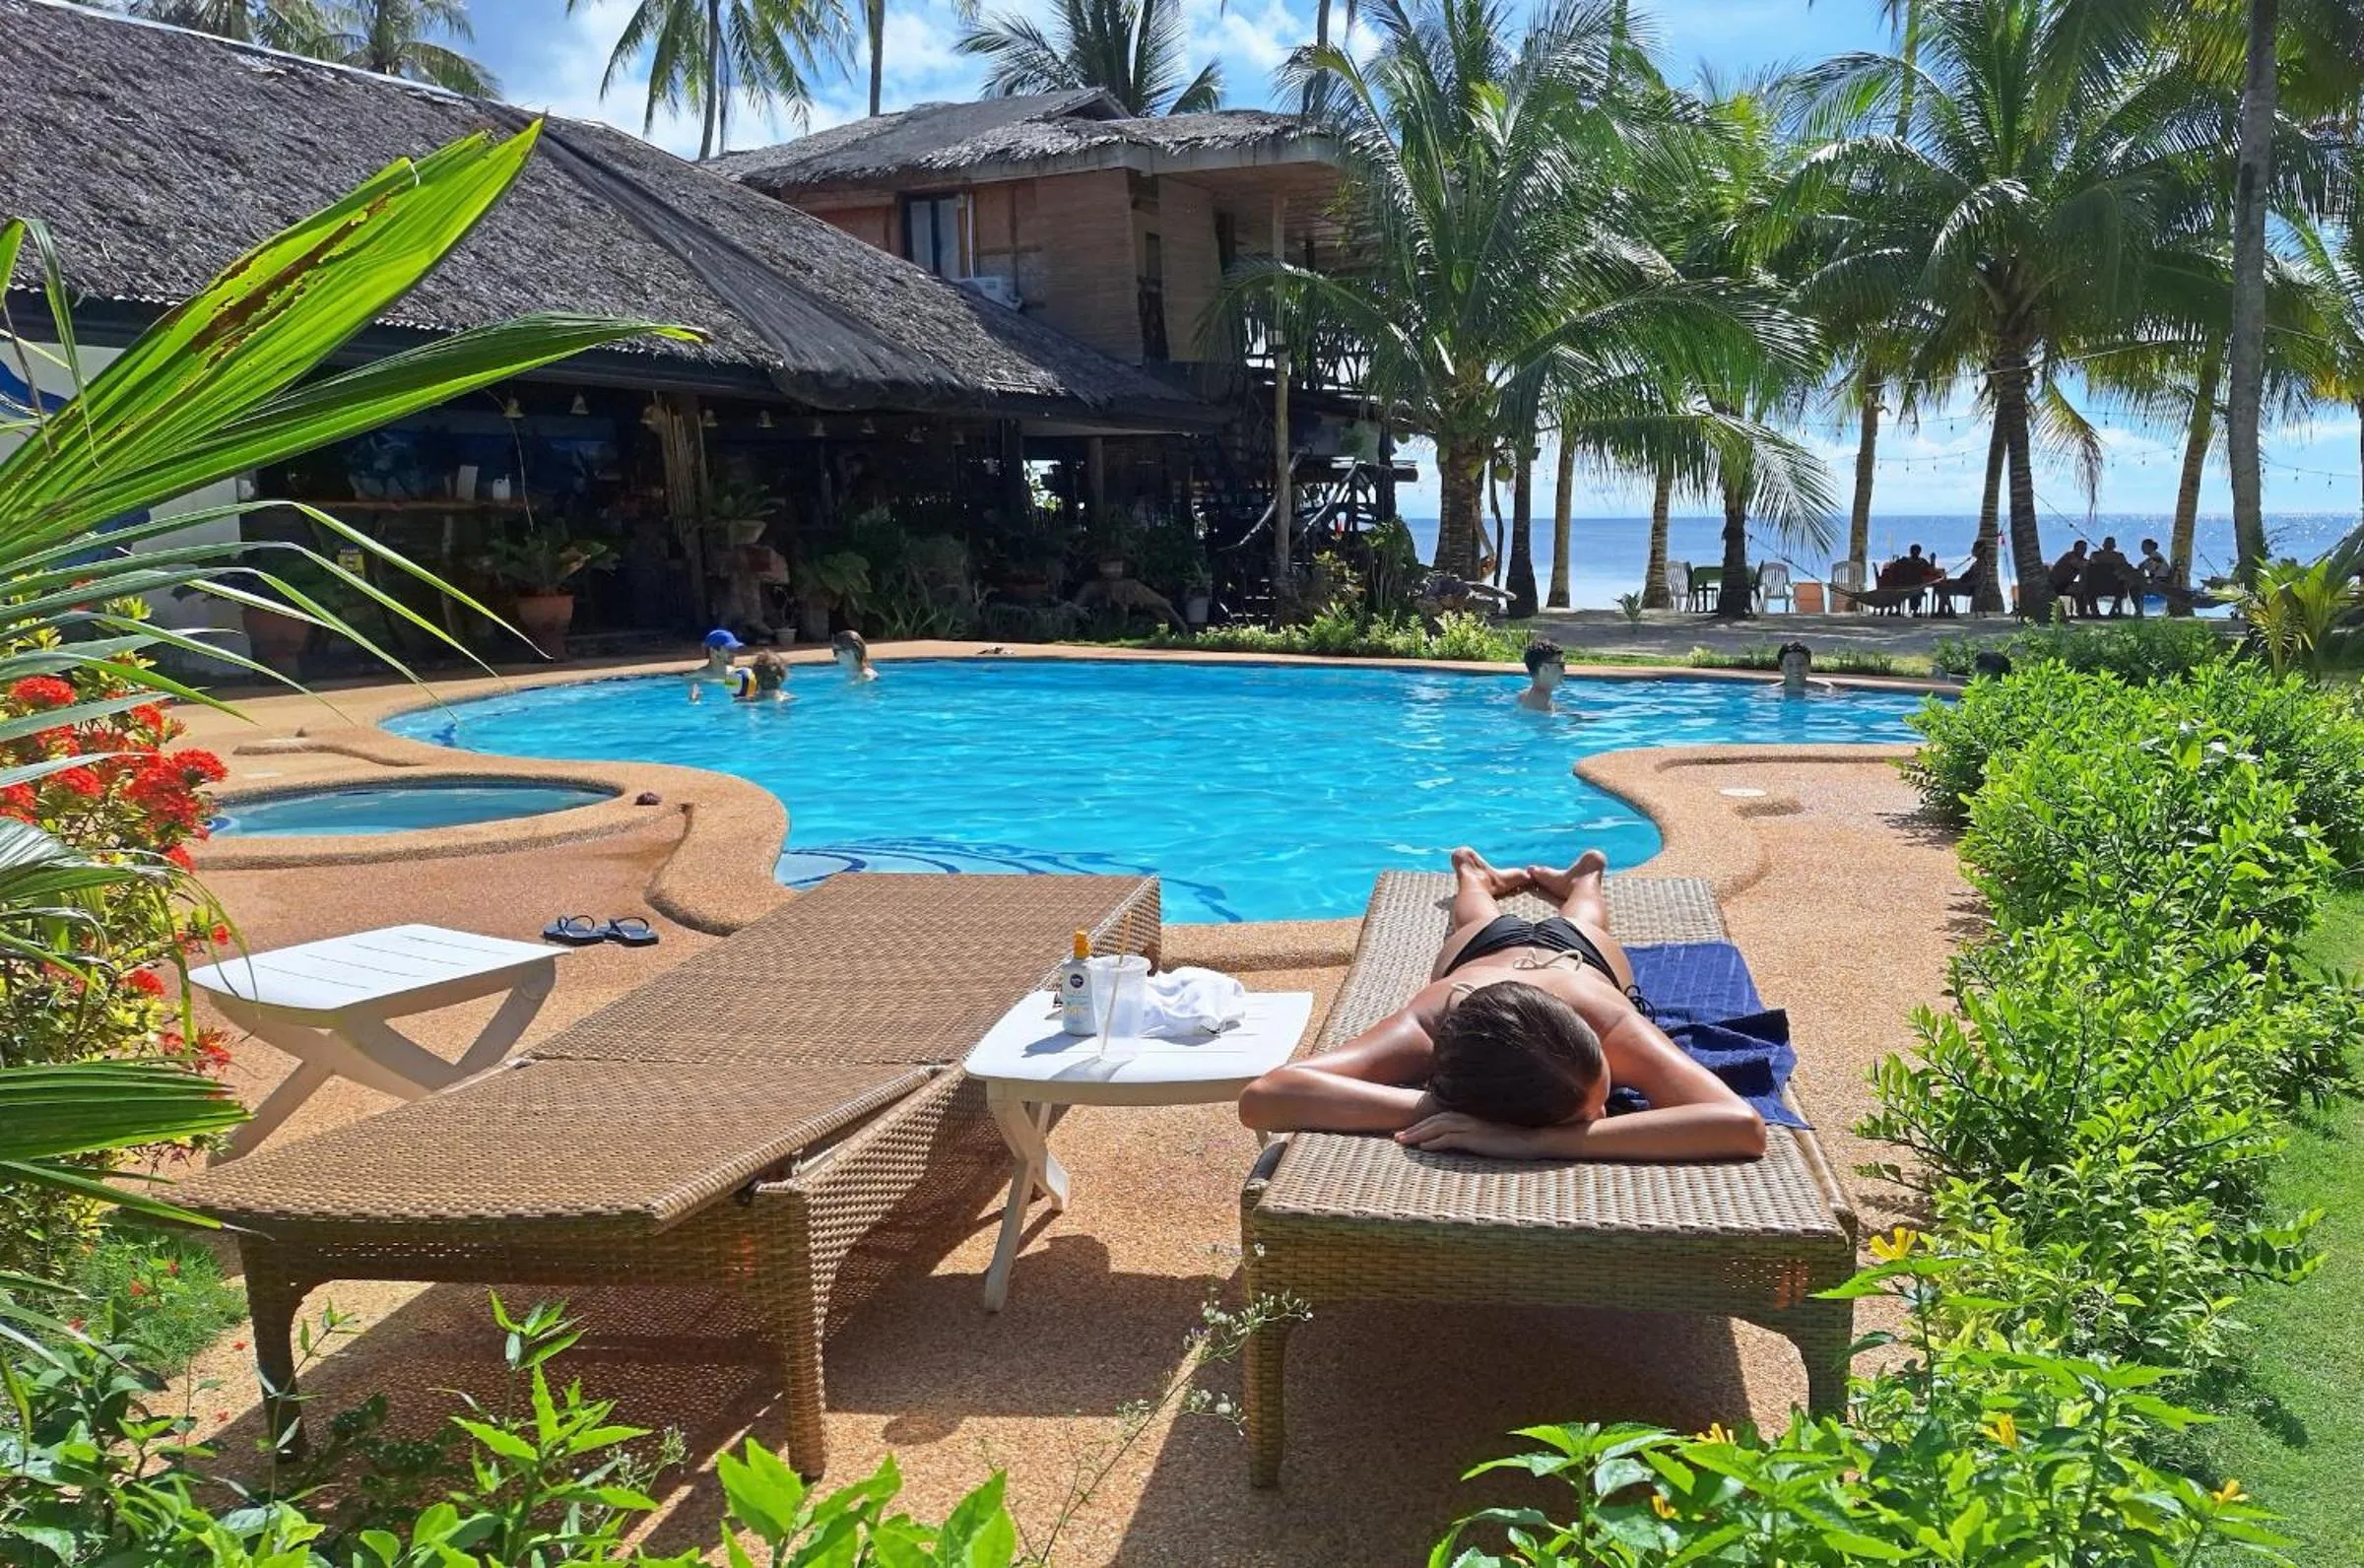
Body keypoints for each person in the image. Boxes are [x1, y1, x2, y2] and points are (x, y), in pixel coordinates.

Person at [1236, 848, 1766, 1160]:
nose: (1602, 1116)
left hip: (1577, 963)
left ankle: (1584, 877)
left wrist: (1543, 1144)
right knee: (1473, 921)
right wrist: (1437, 1110)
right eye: (1590, 1115)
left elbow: (1741, 1126)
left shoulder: (1606, 1027)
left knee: (1585, 921)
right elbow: (1264, 1096)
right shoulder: (1430, 1025)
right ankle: (1474, 874)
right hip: (1485, 958)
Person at [1931, 539, 1995, 616]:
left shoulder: (1981, 564)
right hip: (1967, 586)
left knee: (1942, 587)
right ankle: (1947, 611)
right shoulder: (1978, 562)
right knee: (1942, 584)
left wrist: (1962, 583)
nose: (1972, 550)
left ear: (1980, 550)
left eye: (1974, 548)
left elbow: (1976, 580)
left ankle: (1946, 611)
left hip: (1969, 588)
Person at [2085, 536, 2136, 618]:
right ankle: (2113, 611)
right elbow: (2127, 568)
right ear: (2114, 546)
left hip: (2096, 587)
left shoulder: (2095, 555)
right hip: (2116, 588)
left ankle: (2095, 612)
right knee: (2123, 585)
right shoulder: (2119, 556)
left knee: (2089, 585)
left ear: (2103, 545)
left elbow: (2090, 566)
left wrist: (2103, 555)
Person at [689, 627, 743, 702]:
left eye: (735, 649)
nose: (734, 654)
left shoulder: (735, 673)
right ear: (713, 650)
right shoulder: (697, 678)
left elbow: (736, 700)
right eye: (729, 649)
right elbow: (693, 705)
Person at [1517, 639, 1565, 711]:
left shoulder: (1522, 696)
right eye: (1561, 665)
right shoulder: (1544, 705)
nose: (1564, 670)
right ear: (1544, 668)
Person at [2048, 542, 2089, 616]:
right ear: (2075, 548)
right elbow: (2079, 565)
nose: (2084, 551)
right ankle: (2082, 613)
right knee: (2081, 590)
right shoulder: (2069, 556)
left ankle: (2083, 612)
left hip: (2066, 584)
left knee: (2084, 587)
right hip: (2056, 584)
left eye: (2085, 549)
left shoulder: (2082, 560)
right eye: (2081, 548)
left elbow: (2086, 566)